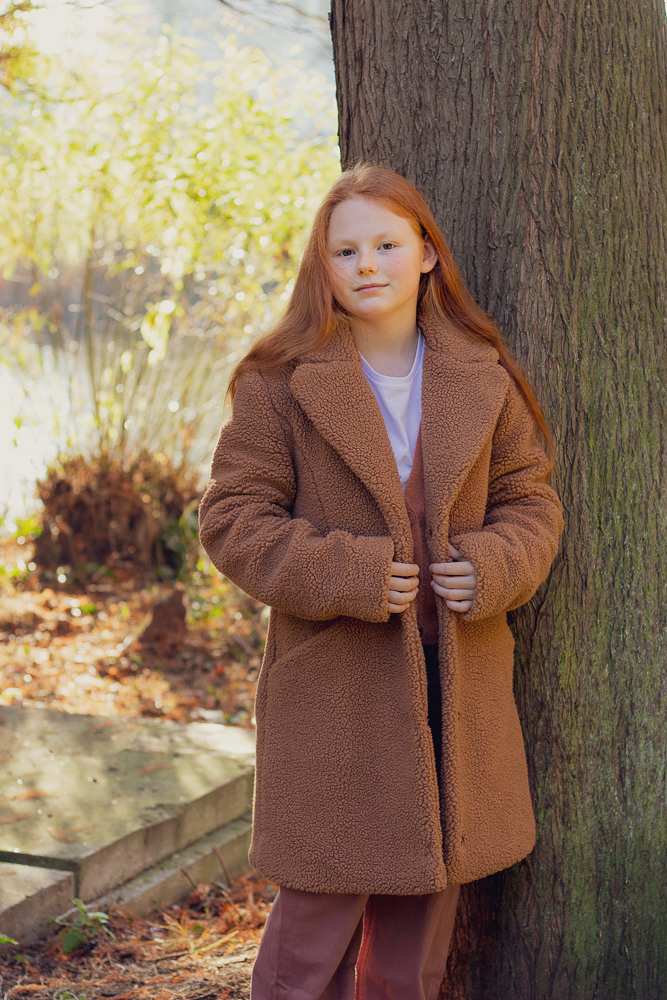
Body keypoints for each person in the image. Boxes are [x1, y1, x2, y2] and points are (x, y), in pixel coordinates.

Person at [198, 162, 565, 999]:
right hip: (339, 687)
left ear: (427, 254)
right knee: (310, 941)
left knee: (415, 949)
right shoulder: (279, 384)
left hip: (455, 688)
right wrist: (353, 572)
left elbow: (528, 500)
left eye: (387, 244)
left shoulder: (482, 375)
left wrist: (494, 565)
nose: (366, 264)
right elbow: (230, 520)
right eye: (344, 250)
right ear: (321, 269)